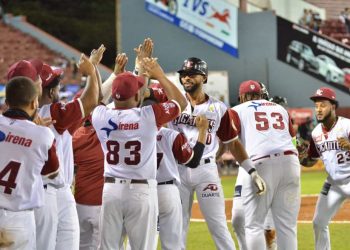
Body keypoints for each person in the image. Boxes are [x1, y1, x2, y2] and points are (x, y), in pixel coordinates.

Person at [163, 57, 266, 250]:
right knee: (176, 226)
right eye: (184, 74)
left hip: (206, 170)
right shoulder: (173, 103)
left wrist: (252, 171)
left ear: (204, 77)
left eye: (192, 74)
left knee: (218, 226)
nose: (186, 78)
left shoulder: (219, 108)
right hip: (176, 170)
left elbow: (232, 143)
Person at [92, 57, 187, 250]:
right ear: (137, 97)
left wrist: (116, 75)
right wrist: (158, 75)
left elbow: (98, 98)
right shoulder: (148, 116)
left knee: (108, 247)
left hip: (110, 190)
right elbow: (181, 102)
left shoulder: (100, 115)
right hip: (140, 191)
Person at [230, 80, 300, 250]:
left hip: (260, 163)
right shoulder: (279, 108)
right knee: (287, 227)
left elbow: (230, 140)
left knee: (253, 225)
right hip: (290, 163)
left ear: (240, 97)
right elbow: (291, 134)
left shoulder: (237, 110)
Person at [73, 52, 128, 250]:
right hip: (102, 203)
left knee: (81, 246)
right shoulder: (103, 127)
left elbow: (93, 98)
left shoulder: (74, 135)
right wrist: (108, 73)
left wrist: (95, 70)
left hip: (79, 202)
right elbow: (102, 97)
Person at [0, 76, 59, 249]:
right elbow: (52, 174)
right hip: (17, 219)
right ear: (34, 103)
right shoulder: (43, 135)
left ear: (6, 101)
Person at [298, 87, 350, 250]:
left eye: (323, 105)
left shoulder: (347, 126)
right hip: (334, 183)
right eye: (316, 105)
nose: (318, 109)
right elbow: (311, 161)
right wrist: (301, 158)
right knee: (319, 223)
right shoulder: (315, 133)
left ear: (333, 106)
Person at [231, 82, 277, 250]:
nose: (252, 100)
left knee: (267, 228)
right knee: (237, 219)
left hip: (267, 167)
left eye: (256, 96)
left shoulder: (271, 114)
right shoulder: (236, 113)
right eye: (248, 96)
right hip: (245, 169)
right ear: (241, 98)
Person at [156, 115, 208, 250]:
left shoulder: (130, 133)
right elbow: (193, 161)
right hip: (167, 190)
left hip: (140, 189)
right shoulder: (171, 135)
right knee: (172, 244)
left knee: (140, 243)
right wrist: (202, 131)